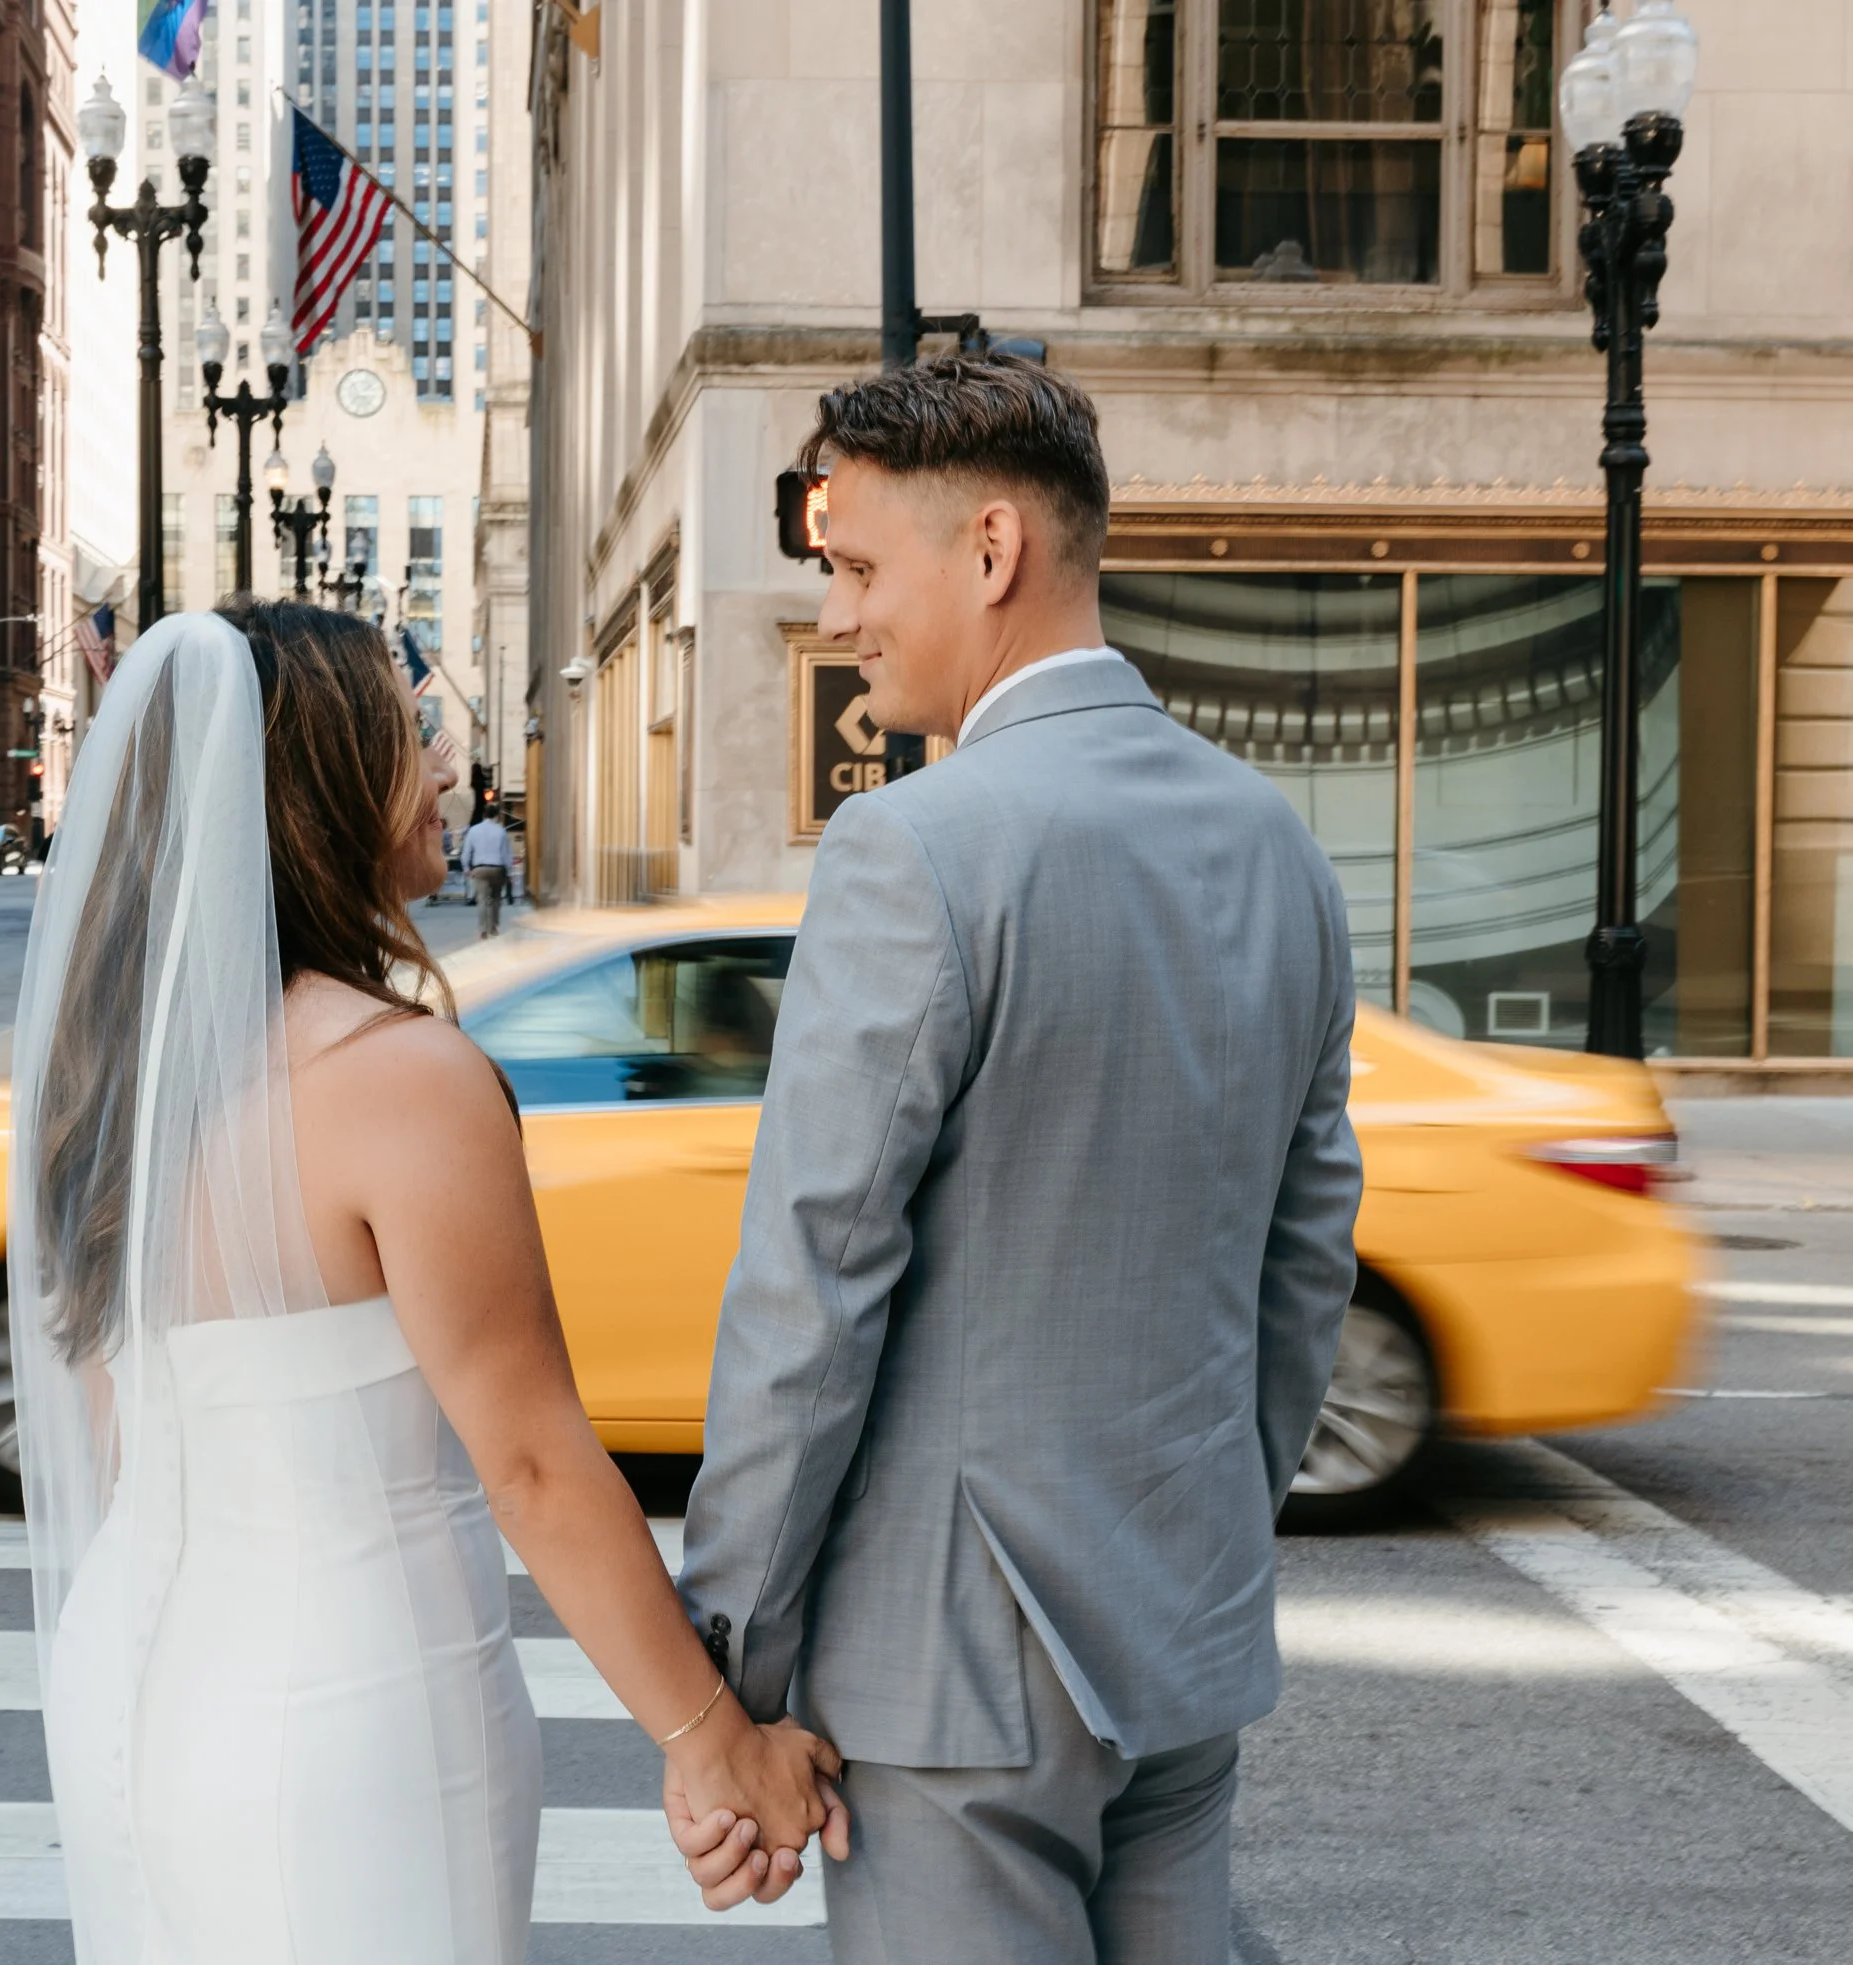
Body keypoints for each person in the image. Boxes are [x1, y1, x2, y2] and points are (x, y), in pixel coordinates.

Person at [9, 601, 846, 1965]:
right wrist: (715, 1742)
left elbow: (114, 1433)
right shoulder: (400, 1077)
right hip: (350, 1714)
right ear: (324, 786)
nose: (447, 768)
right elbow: (531, 1460)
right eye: (410, 736)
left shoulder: (113, 1084)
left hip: (135, 1695)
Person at [669, 356, 1362, 1959]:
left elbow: (814, 1284)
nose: (839, 617)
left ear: (992, 551)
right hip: (1182, 1630)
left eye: (857, 569)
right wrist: (1205, 1524)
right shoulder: (1279, 846)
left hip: (953, 1672)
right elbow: (1303, 1262)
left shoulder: (914, 847)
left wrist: (732, 1681)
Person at [462, 803, 514, 937]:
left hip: (480, 869)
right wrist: (509, 871)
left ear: (483, 815)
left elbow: (466, 852)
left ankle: (483, 930)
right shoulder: (501, 831)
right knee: (496, 898)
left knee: (482, 899)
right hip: (497, 868)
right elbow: (506, 854)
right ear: (496, 815)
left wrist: (466, 868)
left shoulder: (473, 830)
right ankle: (494, 927)